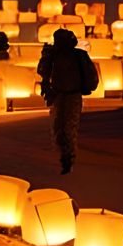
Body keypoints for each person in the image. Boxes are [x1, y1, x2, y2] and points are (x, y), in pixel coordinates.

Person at [37, 29, 98, 175]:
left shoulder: (78, 55)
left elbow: (89, 76)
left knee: (68, 128)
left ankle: (68, 159)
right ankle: (65, 157)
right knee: (59, 128)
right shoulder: (55, 56)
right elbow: (43, 71)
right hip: (59, 95)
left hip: (71, 96)